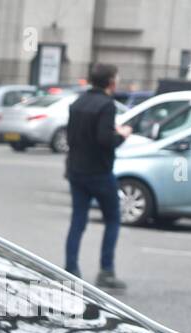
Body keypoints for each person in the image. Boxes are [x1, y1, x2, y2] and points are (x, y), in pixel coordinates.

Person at [64, 62, 132, 290]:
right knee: (112, 219)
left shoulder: (77, 103)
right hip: (99, 172)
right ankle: (106, 271)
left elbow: (71, 138)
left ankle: (70, 269)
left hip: (76, 170)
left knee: (78, 220)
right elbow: (105, 140)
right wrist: (122, 135)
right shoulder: (107, 106)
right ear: (111, 82)